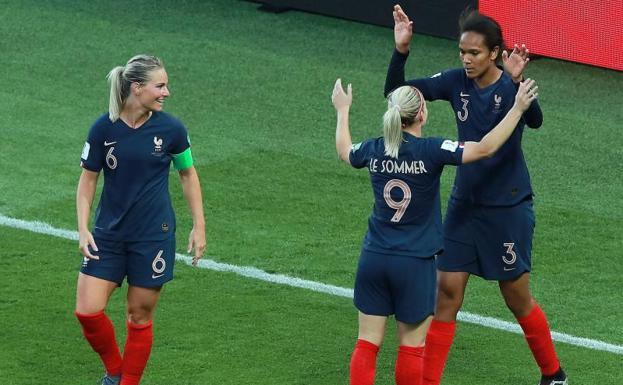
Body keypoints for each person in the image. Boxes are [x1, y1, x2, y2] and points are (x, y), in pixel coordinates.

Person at [385, 5, 567, 385]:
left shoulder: (512, 84)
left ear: (495, 53)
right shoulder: (455, 83)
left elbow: (534, 120)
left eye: (475, 53)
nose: (466, 60)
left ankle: (554, 374)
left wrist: (513, 85)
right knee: (446, 294)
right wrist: (401, 51)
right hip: (465, 206)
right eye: (462, 53)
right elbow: (396, 97)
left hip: (507, 207)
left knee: (516, 297)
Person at [332, 75, 537, 385]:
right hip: (414, 262)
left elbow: (345, 151)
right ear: (422, 114)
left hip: (374, 257)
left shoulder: (374, 150)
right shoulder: (432, 150)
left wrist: (343, 110)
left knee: (367, 343)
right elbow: (484, 148)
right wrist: (517, 109)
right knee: (411, 348)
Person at [75, 54, 206, 385]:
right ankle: (115, 371)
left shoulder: (172, 129)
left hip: (153, 236)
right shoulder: (103, 128)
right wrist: (82, 228)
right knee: (88, 311)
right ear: (137, 88)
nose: (167, 93)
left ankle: (127, 382)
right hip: (108, 234)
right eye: (160, 86)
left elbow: (188, 175)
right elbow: (88, 180)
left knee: (139, 315)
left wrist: (199, 225)